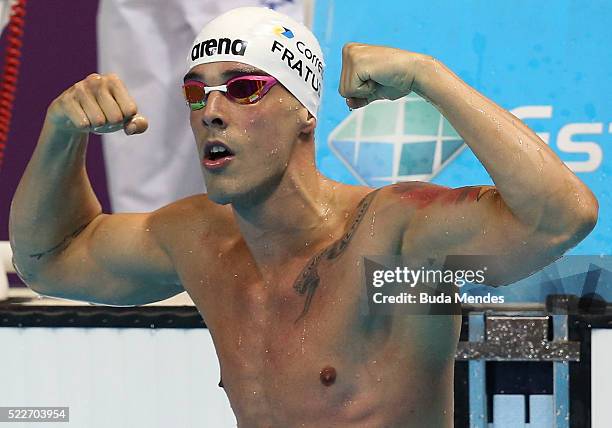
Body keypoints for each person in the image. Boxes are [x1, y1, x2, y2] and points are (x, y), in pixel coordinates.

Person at [8, 6, 598, 427]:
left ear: (304, 115)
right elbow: (48, 260)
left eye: (243, 88)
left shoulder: (395, 242)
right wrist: (61, 133)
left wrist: (430, 77)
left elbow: (561, 217)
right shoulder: (199, 241)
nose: (211, 111)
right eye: (196, 92)